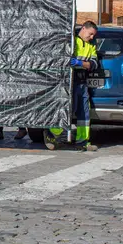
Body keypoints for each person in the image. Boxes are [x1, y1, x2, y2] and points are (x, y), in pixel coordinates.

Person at [45, 21, 100, 152]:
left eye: (93, 35)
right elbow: (63, 60)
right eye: (90, 34)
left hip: (81, 82)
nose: (92, 37)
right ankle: (51, 134)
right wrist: (83, 64)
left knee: (84, 113)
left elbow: (94, 64)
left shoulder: (91, 44)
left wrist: (79, 63)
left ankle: (82, 142)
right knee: (68, 109)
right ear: (83, 29)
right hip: (68, 81)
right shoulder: (71, 40)